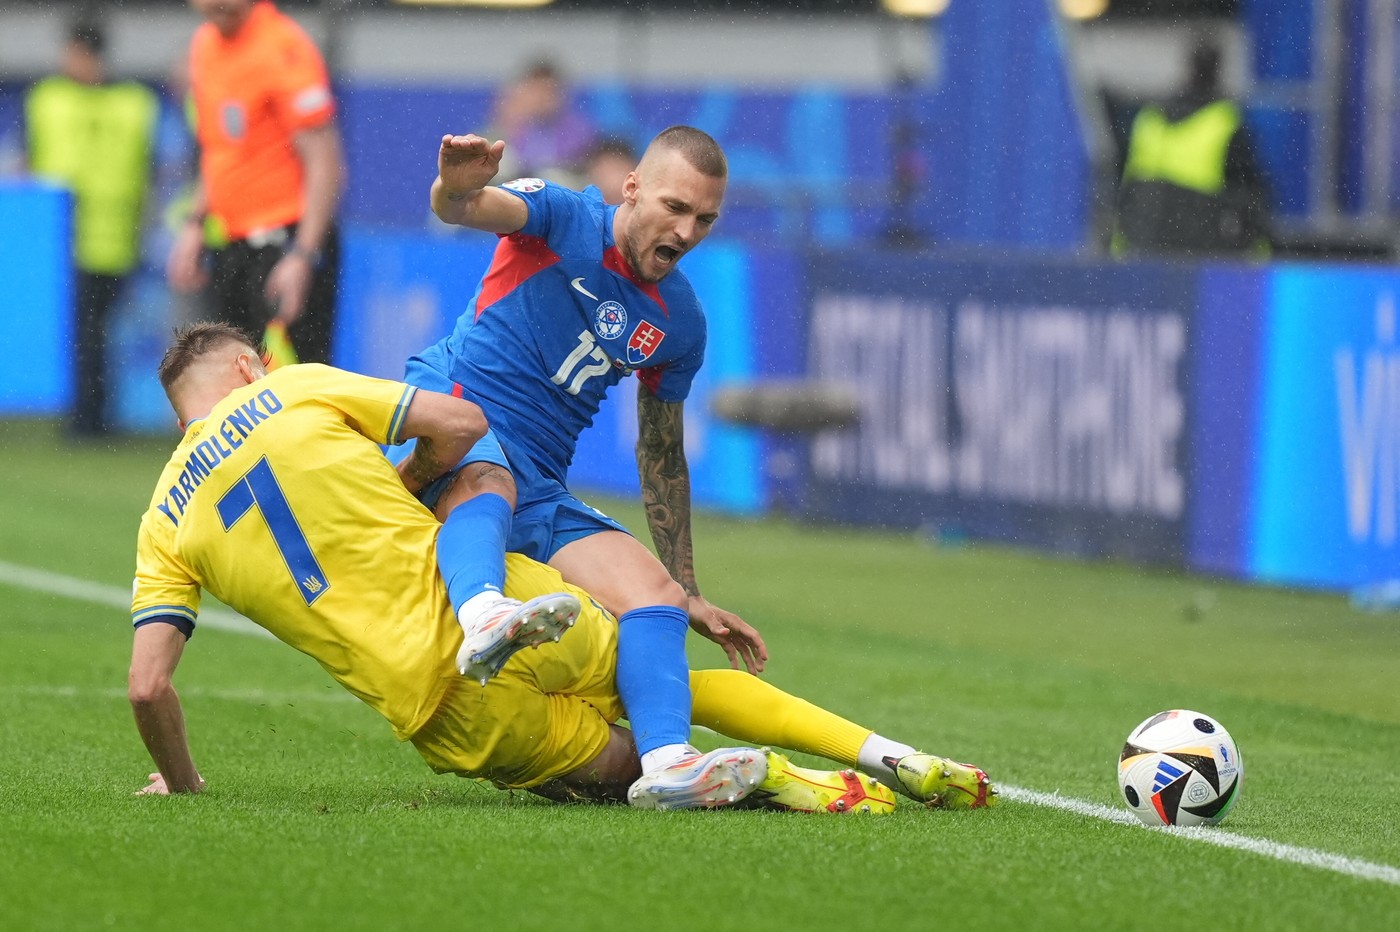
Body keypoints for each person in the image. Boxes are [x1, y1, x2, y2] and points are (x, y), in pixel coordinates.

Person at [128, 323, 998, 814]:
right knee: (655, 675)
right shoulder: (291, 390)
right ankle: (882, 753)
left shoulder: (165, 519)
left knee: (609, 777)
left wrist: (185, 779)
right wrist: (395, 487)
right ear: (249, 370)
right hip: (498, 595)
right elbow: (460, 423)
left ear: (181, 421)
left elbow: (146, 688)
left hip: (436, 710)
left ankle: (773, 780)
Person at [399, 126, 768, 806]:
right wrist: (454, 182)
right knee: (489, 478)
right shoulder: (564, 215)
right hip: (451, 416)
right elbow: (464, 209)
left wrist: (688, 587)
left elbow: (660, 453)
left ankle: (667, 765)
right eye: (675, 208)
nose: (687, 232)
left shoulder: (679, 320)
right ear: (629, 188)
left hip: (537, 480)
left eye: (705, 219)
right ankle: (485, 614)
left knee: (653, 598)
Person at [165, 0, 344, 364]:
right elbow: (220, 149)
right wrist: (195, 223)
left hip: (287, 240)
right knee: (229, 382)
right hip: (234, 244)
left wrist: (303, 255)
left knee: (303, 389)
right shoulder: (205, 45)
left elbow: (325, 161)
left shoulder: (282, 47)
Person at [24, 18, 159, 436]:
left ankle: (90, 419)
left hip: (101, 238)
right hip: (77, 238)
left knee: (92, 333)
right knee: (88, 333)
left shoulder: (53, 100)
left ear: (84, 53)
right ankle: (89, 417)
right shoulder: (133, 103)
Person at [1112, 38, 1271, 257]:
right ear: (1219, 69)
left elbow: (1124, 185)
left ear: (1186, 66)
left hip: (1142, 249)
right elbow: (1248, 199)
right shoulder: (1224, 121)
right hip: (1200, 256)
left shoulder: (1149, 118)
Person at [486, 60, 598, 189]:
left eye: (548, 91)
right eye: (536, 91)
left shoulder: (578, 133)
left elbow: (580, 171)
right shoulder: (507, 125)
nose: (542, 98)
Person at [583, 136, 638, 204]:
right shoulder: (579, 207)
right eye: (605, 174)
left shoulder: (646, 210)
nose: (611, 181)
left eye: (617, 171)